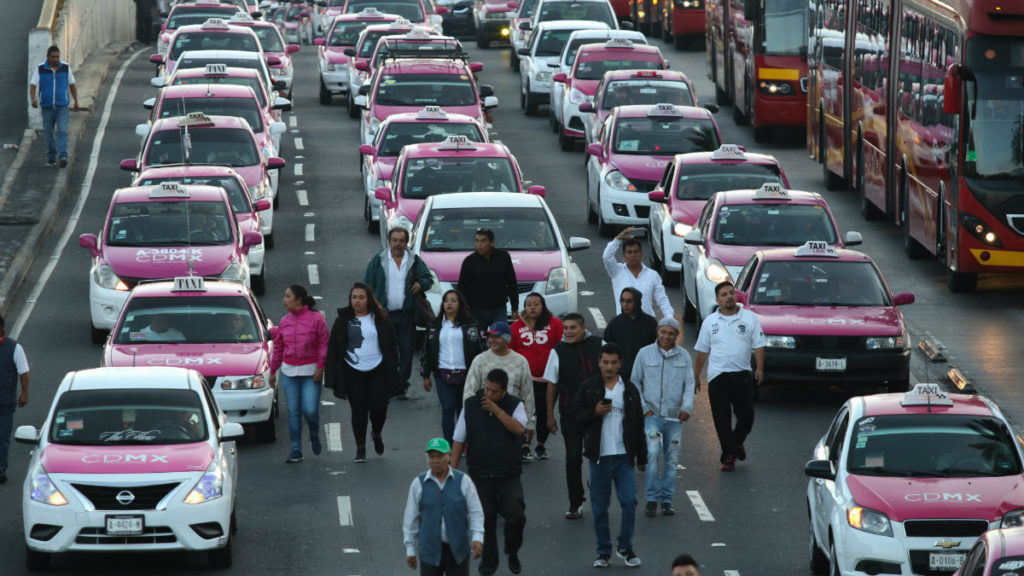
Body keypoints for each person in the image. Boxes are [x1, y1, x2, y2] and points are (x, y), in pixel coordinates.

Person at [572, 343, 646, 568]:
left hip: (623, 457)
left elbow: (638, 424)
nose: (610, 367)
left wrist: (642, 457)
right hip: (599, 457)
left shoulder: (630, 390)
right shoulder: (588, 387)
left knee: (629, 501)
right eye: (605, 362)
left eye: (614, 363)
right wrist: (593, 412)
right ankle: (603, 551)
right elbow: (575, 418)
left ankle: (625, 546)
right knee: (600, 507)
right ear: (599, 363)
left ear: (620, 364)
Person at [451, 370, 527, 576]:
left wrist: (497, 410)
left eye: (494, 392)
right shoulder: (471, 406)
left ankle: (512, 551)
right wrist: (452, 472)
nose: (488, 394)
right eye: (487, 389)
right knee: (486, 520)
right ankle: (488, 567)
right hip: (480, 473)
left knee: (516, 516)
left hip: (508, 473)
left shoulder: (515, 405)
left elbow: (520, 429)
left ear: (504, 391)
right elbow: (459, 439)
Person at [693, 281, 766, 472]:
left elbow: (759, 345)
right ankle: (729, 456)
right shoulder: (710, 322)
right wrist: (695, 376)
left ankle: (737, 442)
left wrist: (759, 368)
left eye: (731, 293)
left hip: (742, 374)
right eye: (724, 295)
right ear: (717, 300)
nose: (729, 297)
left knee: (747, 417)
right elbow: (701, 352)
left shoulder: (749, 318)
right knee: (721, 419)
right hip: (718, 377)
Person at [325, 283, 402, 462]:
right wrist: (331, 374)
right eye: (354, 298)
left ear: (368, 299)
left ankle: (376, 432)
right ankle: (360, 447)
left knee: (379, 407)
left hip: (377, 369)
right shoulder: (343, 320)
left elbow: (391, 343)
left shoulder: (380, 318)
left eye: (361, 297)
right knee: (358, 410)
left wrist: (393, 365)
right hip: (352, 371)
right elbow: (334, 348)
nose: (357, 301)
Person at [630, 318, 695, 517]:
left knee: (671, 459)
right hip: (652, 418)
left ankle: (667, 499)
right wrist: (643, 409)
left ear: (677, 335)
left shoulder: (684, 357)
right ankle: (651, 499)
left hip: (675, 420)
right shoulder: (644, 353)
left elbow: (690, 384)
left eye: (671, 333)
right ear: (658, 331)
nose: (666, 336)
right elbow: (635, 382)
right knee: (651, 455)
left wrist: (687, 407)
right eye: (663, 332)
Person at [541, 312, 601, 519]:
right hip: (570, 413)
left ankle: (598, 492)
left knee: (598, 456)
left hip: (596, 413)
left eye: (573, 328)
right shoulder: (558, 351)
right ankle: (576, 502)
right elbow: (552, 385)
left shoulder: (599, 345)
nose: (568, 332)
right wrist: (550, 416)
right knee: (573, 458)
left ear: (583, 328)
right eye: (565, 328)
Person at [364, 227, 434, 399]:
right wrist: (375, 307)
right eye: (394, 240)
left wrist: (420, 284)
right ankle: (388, 384)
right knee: (386, 351)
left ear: (406, 242)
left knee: (406, 351)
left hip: (406, 315)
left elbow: (428, 279)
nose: (397, 244)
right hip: (383, 314)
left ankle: (402, 385)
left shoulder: (414, 261)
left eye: (401, 241)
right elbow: (367, 286)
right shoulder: (377, 260)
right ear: (389, 242)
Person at [403, 438, 485, 576]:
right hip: (429, 552)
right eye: (431, 456)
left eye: (439, 456)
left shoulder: (464, 481)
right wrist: (410, 549)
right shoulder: (418, 484)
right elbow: (410, 519)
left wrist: (477, 538)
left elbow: (475, 512)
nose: (435, 461)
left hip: (458, 552)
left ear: (449, 457)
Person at [269, 285, 329, 464]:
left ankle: (314, 434)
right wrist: (273, 371)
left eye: (287, 296)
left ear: (299, 300)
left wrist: (320, 367)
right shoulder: (285, 321)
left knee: (310, 410)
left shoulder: (316, 319)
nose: (284, 299)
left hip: (311, 372)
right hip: (289, 373)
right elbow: (279, 347)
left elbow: (323, 344)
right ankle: (296, 449)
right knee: (293, 412)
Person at [422, 289, 486, 445]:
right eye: (446, 300)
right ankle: (449, 445)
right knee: (448, 408)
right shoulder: (434, 325)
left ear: (460, 304)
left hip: (467, 374)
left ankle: (463, 443)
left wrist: (483, 373)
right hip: (443, 374)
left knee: (464, 410)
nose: (449, 304)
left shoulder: (471, 324)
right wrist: (426, 375)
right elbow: (427, 350)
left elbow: (481, 348)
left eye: (453, 300)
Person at [510, 292, 562, 461]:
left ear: (543, 306)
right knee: (524, 413)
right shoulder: (516, 327)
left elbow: (561, 347)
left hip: (549, 380)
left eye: (536, 304)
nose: (532, 307)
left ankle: (540, 445)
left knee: (545, 412)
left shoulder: (554, 324)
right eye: (528, 304)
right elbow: (510, 350)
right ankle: (525, 446)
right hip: (525, 379)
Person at [462, 322, 535, 439]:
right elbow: (469, 392)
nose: (491, 340)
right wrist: (470, 417)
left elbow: (528, 394)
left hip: (512, 417)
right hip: (485, 415)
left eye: (496, 337)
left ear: (507, 339)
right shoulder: (480, 360)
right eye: (490, 336)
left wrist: (530, 422)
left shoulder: (521, 361)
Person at [603, 228, 674, 320]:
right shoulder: (617, 271)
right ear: (624, 256)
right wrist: (618, 238)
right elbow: (607, 256)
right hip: (624, 322)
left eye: (636, 252)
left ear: (641, 254)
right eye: (629, 252)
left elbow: (662, 299)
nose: (633, 255)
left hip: (647, 324)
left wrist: (669, 318)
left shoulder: (652, 275)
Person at [458, 228, 518, 331]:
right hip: (476, 310)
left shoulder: (503, 257)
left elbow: (511, 282)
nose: (479, 245)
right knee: (476, 342)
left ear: (492, 242)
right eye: (477, 241)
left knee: (502, 338)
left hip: (499, 308)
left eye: (483, 241)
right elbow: (462, 288)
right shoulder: (469, 261)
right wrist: (463, 311)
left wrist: (514, 306)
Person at [29, 45, 79, 168]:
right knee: (49, 133)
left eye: (57, 57)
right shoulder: (40, 69)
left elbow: (72, 84)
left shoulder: (65, 68)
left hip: (62, 107)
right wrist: (33, 99)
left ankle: (63, 156)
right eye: (53, 57)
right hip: (47, 107)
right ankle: (51, 157)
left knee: (62, 131)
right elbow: (33, 85)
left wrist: (76, 101)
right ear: (48, 57)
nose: (56, 59)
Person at [603, 287, 657, 381]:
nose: (625, 304)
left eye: (629, 301)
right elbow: (607, 349)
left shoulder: (650, 323)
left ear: (637, 302)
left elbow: (656, 348)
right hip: (621, 375)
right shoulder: (614, 324)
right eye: (622, 301)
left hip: (645, 374)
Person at [0, 314, 29, 484]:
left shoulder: (14, 348)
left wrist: (24, 393)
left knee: (2, 435)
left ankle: (1, 468)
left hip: (5, 401)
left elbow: (23, 371)